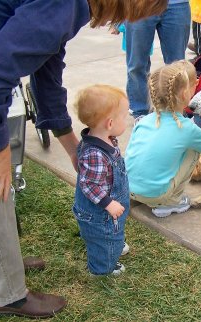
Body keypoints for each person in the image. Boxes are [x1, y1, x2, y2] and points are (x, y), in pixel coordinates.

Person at [0, 0, 168, 318]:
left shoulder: (67, 9)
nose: (125, 22)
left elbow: (47, 75)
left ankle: (5, 263)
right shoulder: (63, 4)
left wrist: (72, 147)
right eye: (133, 16)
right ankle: (6, 293)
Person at [125, 61, 201, 217]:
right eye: (194, 83)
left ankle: (146, 190)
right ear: (185, 93)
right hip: (155, 195)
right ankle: (169, 203)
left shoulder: (144, 120)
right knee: (193, 149)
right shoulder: (188, 129)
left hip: (127, 188)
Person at [73, 85, 130, 276]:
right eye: (124, 116)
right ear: (110, 123)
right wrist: (108, 203)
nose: (127, 120)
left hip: (112, 203)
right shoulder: (95, 154)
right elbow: (89, 184)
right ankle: (101, 268)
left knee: (113, 230)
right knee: (102, 237)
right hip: (100, 210)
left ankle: (114, 242)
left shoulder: (106, 138)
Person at [125, 0, 191, 123]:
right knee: (136, 64)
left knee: (177, 66)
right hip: (138, 4)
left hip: (176, 4)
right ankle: (140, 112)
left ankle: (176, 109)